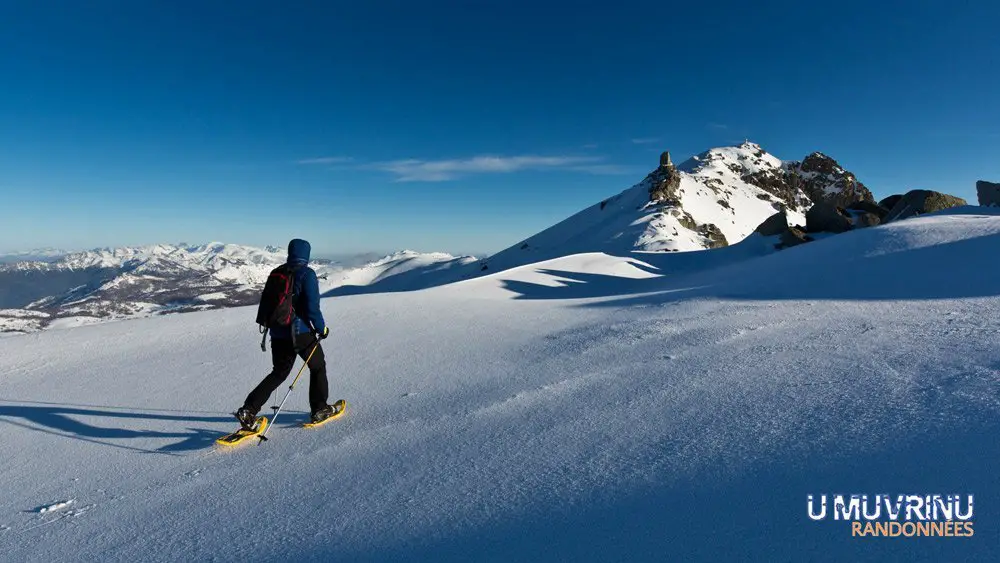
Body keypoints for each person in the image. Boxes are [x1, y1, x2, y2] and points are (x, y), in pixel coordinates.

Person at [235, 238, 337, 427]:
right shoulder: (307, 274)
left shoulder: (277, 272)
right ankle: (319, 408)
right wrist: (322, 329)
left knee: (279, 373)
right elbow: (313, 308)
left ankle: (249, 409)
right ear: (306, 254)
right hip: (301, 332)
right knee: (317, 367)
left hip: (277, 332)